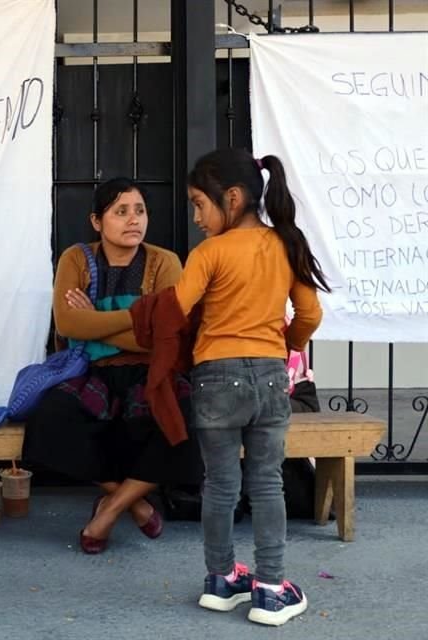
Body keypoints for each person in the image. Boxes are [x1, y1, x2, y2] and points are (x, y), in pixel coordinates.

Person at [176, 149, 326, 626]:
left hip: (214, 377)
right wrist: (288, 345)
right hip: (267, 374)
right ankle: (270, 588)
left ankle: (221, 580)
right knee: (266, 483)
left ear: (233, 198)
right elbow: (310, 314)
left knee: (219, 484)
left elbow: (176, 310)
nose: (197, 217)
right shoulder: (285, 244)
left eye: (200, 204)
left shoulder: (208, 253)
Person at [22, 177, 200, 554]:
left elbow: (165, 338)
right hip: (91, 372)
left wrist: (97, 321)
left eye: (139, 211)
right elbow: (69, 324)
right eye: (121, 212)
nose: (133, 219)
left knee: (181, 418)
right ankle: (135, 503)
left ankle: (109, 511)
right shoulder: (76, 259)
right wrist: (137, 320)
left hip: (151, 369)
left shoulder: (164, 263)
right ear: (97, 221)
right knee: (49, 417)